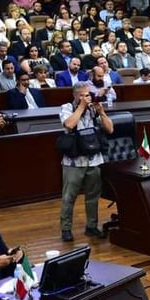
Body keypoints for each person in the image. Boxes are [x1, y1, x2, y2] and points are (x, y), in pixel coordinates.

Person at [59, 81, 114, 242]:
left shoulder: (93, 108)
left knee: (93, 196)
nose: (86, 98)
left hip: (94, 160)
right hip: (74, 162)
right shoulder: (67, 107)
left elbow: (110, 129)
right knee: (69, 197)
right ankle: (66, 229)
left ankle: (91, 226)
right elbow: (69, 125)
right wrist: (81, 107)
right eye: (83, 95)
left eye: (88, 95)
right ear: (76, 95)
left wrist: (101, 112)